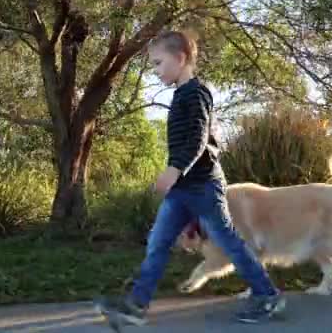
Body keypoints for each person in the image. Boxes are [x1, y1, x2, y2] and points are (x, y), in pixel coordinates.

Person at [94, 30, 286, 326]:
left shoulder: (196, 93)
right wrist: (176, 176)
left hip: (204, 186)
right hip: (182, 189)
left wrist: (174, 170)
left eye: (159, 63)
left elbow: (197, 138)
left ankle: (267, 295)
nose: (155, 71)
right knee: (157, 242)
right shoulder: (181, 94)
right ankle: (137, 305)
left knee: (230, 243)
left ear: (181, 58)